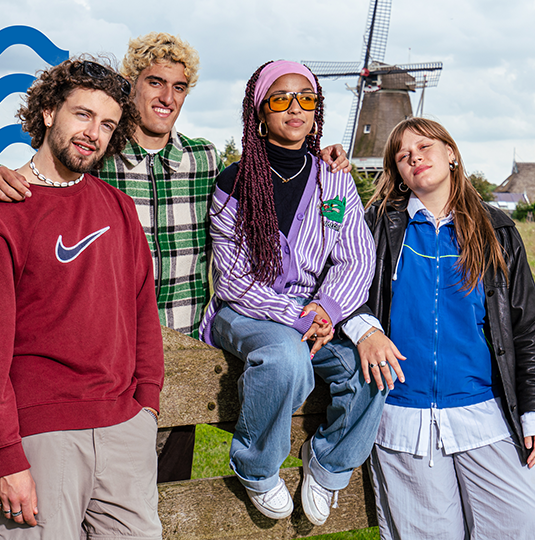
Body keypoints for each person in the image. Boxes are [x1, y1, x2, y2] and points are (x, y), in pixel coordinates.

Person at [0, 33, 348, 482]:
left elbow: (266, 176)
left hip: (184, 348)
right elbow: (33, 183)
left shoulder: (203, 160)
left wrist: (319, 154)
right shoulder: (98, 155)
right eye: (155, 83)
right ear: (131, 85)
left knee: (164, 494)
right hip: (111, 357)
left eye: (179, 87)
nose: (167, 97)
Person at [0, 56, 164, 539]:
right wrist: (6, 457)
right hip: (41, 436)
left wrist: (146, 405)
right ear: (49, 112)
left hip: (124, 429)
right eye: (83, 114)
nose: (94, 132)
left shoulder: (118, 207)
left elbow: (141, 313)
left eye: (108, 123)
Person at [340, 117, 535, 539]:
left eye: (424, 146)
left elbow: (526, 327)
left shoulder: (498, 229)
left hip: (484, 415)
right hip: (404, 419)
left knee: (528, 528)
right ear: (398, 173)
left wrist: (532, 410)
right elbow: (343, 285)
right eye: (403, 155)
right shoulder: (378, 226)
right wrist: (366, 330)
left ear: (451, 153)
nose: (414, 157)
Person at [199, 60, 384, 526]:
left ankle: (329, 461)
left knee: (370, 370)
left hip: (318, 313)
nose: (295, 108)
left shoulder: (334, 178)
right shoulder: (234, 183)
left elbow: (356, 256)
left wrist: (325, 308)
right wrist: (302, 317)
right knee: (286, 358)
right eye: (281, 99)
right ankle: (256, 465)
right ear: (260, 112)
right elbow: (234, 279)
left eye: (307, 98)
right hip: (246, 311)